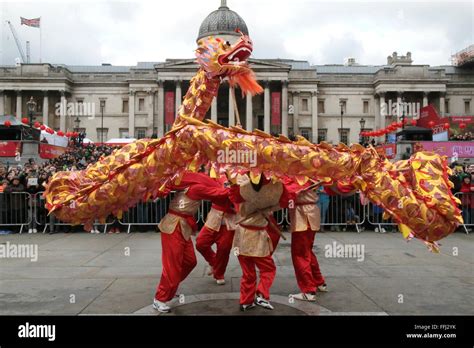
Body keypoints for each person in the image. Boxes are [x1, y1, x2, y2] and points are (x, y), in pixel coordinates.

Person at [153, 172, 230, 313]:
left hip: (183, 227)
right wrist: (234, 188)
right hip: (173, 227)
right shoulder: (197, 188)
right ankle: (160, 298)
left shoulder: (193, 186)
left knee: (190, 261)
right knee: (172, 266)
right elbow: (220, 194)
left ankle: (171, 286)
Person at [229, 173, 289, 311]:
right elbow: (284, 201)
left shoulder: (240, 185)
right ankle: (261, 294)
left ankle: (246, 301)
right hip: (257, 236)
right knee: (268, 268)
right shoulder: (274, 189)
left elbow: (233, 197)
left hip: (240, 236)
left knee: (248, 272)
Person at [285, 180, 327, 302]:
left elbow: (289, 192)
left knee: (300, 254)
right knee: (307, 250)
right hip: (310, 212)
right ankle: (319, 282)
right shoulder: (312, 172)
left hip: (302, 214)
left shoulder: (297, 173)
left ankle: (308, 290)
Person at [196, 176, 236, 285]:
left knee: (224, 249)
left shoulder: (241, 176)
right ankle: (213, 262)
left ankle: (219, 273)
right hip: (214, 217)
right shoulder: (218, 175)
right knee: (201, 243)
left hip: (230, 221)